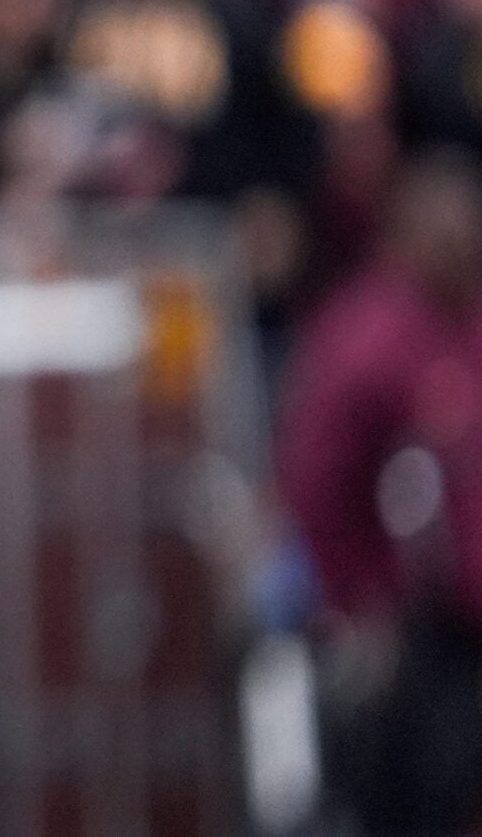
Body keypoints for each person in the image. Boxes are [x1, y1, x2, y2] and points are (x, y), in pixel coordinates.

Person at [278, 149, 482, 834]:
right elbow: (316, 481)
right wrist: (360, 596)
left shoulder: (464, 321)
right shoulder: (367, 337)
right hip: (416, 626)